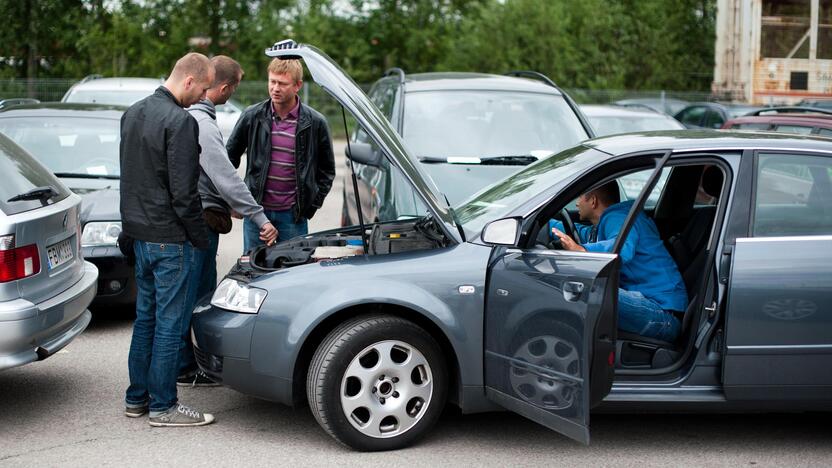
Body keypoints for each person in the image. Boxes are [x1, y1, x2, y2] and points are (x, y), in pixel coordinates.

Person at [119, 52, 216, 427]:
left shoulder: (133, 113)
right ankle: (163, 406)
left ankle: (137, 398)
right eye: (204, 88)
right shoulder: (180, 121)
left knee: (146, 320)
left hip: (141, 237)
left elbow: (128, 180)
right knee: (170, 325)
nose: (204, 97)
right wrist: (199, 239)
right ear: (189, 80)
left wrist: (129, 232)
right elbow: (185, 194)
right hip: (171, 239)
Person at [178, 56, 278, 386]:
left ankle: (191, 363)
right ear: (224, 87)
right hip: (198, 224)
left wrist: (228, 205)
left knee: (199, 291)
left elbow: (205, 178)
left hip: (202, 217)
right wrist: (258, 216)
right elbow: (225, 178)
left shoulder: (196, 118)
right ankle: (184, 367)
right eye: (232, 88)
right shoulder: (203, 124)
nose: (232, 94)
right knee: (194, 295)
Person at [551, 181, 688, 342]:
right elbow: (583, 233)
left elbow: (622, 249)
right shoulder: (612, 221)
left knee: (575, 289)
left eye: (580, 197)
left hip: (663, 314)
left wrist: (582, 251)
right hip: (659, 311)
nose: (576, 202)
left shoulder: (620, 218)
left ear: (593, 201)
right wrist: (547, 224)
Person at [226, 57, 335, 252]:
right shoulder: (252, 116)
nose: (275, 88)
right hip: (256, 213)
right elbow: (228, 160)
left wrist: (308, 208)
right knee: (253, 270)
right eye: (272, 81)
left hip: (292, 217)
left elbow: (326, 171)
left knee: (291, 274)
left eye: (282, 83)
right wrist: (234, 200)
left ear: (297, 85)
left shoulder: (315, 122)